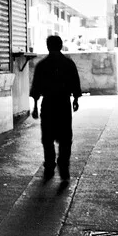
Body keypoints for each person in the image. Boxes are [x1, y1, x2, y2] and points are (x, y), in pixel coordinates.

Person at [30, 35, 83, 181]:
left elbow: (36, 87)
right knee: (65, 137)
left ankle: (49, 165)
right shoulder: (68, 63)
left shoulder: (42, 65)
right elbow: (75, 82)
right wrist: (76, 99)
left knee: (47, 137)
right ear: (60, 46)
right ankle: (64, 166)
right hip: (63, 104)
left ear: (48, 46)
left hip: (48, 104)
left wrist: (34, 106)